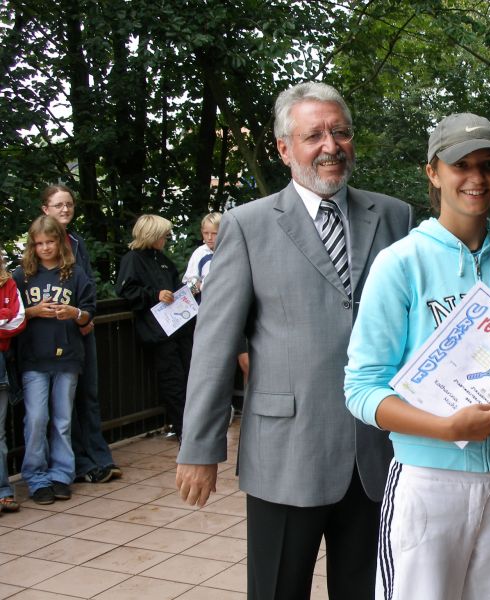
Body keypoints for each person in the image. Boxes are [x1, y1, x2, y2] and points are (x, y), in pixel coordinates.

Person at [175, 81, 414, 600]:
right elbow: (214, 344)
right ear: (284, 148)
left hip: (378, 448)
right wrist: (199, 448)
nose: (331, 146)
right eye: (314, 136)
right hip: (286, 452)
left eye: (341, 132)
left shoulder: (394, 216)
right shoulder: (247, 225)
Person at [344, 113, 490, 599]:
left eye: (489, 165)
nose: (476, 178)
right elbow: (360, 390)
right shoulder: (400, 264)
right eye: (460, 164)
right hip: (431, 479)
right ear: (433, 172)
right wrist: (446, 429)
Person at [41, 185, 122, 484]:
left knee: (89, 394)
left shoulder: (77, 242)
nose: (65, 209)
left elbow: (87, 284)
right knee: (65, 403)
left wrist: (86, 315)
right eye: (58, 205)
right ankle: (79, 463)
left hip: (81, 326)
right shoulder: (39, 243)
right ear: (45, 209)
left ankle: (100, 457)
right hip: (52, 335)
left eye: (69, 204)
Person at [13, 216, 96, 505]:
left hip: (67, 357)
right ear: (32, 246)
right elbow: (11, 316)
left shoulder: (75, 274)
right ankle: (36, 477)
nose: (45, 248)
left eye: (50, 242)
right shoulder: (21, 276)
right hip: (34, 358)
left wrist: (74, 313)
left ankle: (61, 474)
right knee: (37, 419)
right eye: (39, 243)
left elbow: (88, 315)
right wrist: (33, 311)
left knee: (62, 420)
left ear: (60, 242)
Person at [116, 215, 192, 442]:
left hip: (178, 327)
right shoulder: (132, 259)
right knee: (173, 381)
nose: (165, 239)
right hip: (157, 331)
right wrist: (154, 295)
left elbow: (175, 285)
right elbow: (127, 291)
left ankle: (190, 427)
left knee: (187, 376)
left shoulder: (163, 259)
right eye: (163, 236)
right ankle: (183, 429)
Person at [0, 250, 26, 512]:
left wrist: (7, 314)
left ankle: (2, 492)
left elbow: (17, 321)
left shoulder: (8, 283)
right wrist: (3, 314)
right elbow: (7, 318)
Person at [182, 211, 221, 301]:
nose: (209, 237)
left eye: (214, 233)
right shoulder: (200, 253)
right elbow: (188, 290)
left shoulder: (231, 251)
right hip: (206, 304)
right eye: (206, 233)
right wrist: (199, 287)